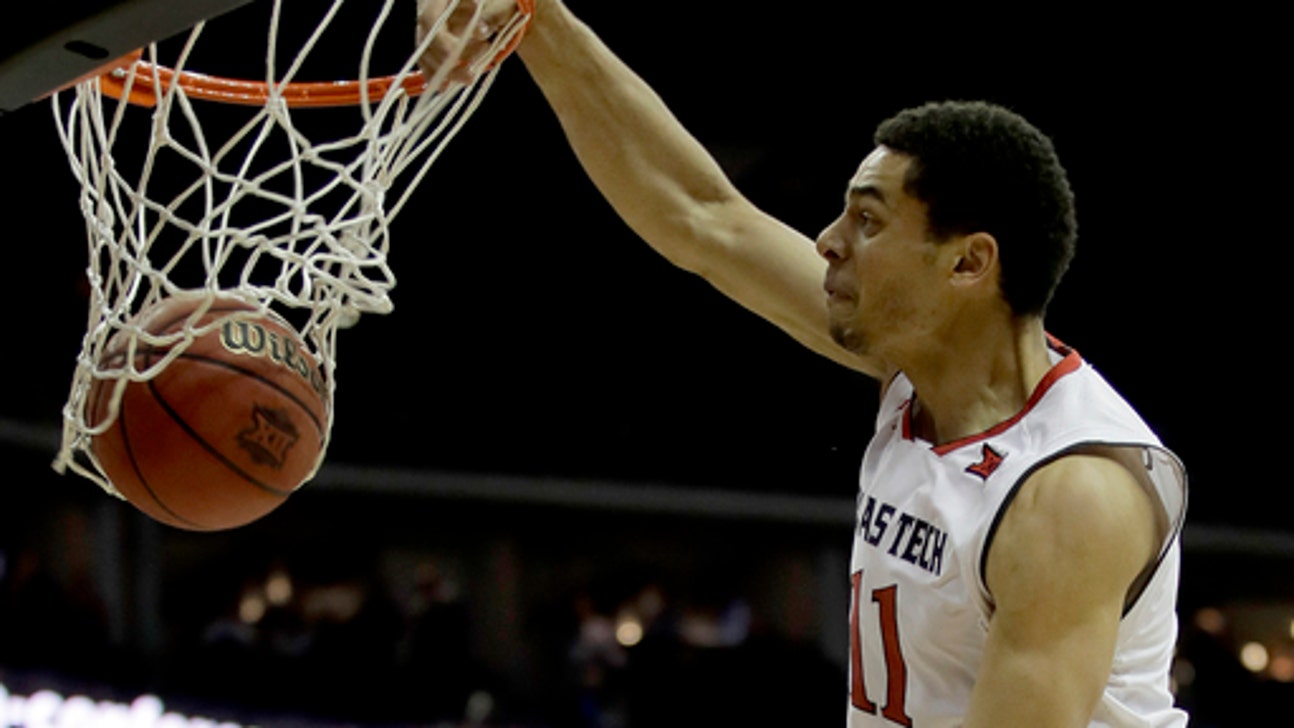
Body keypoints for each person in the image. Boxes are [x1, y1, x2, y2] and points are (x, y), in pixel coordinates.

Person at [416, 2, 1190, 726]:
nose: (827, 240)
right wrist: (540, 21)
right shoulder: (921, 367)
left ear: (967, 265)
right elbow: (704, 219)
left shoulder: (1070, 495)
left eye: (867, 220)